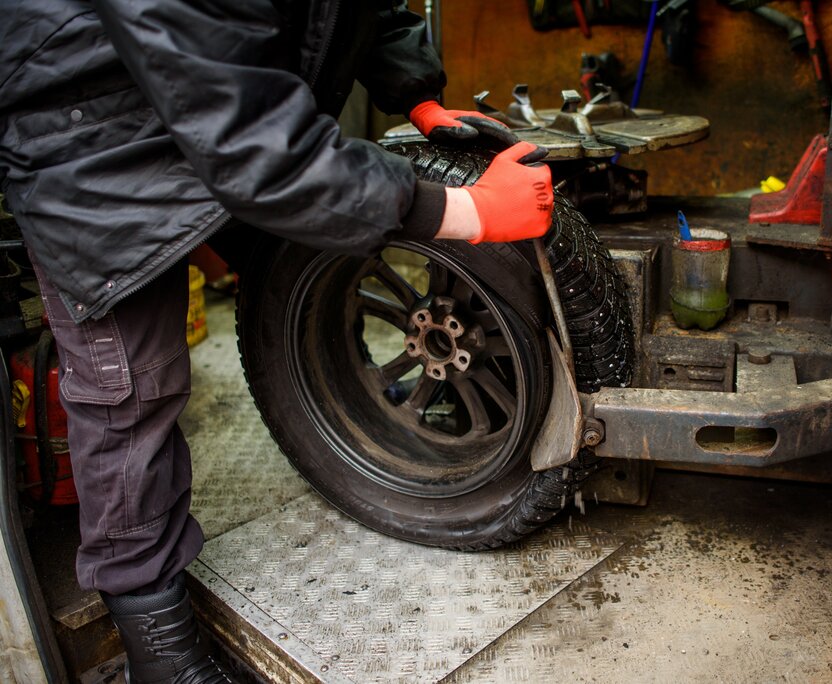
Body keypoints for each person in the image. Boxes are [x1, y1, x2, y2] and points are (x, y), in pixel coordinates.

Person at [0, 1, 553, 681]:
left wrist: (418, 94)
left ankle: (357, 394)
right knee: (132, 393)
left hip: (218, 115)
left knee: (311, 262)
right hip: (91, 144)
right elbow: (252, 143)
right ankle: (160, 653)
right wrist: (465, 210)